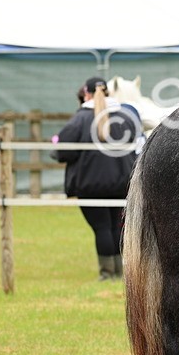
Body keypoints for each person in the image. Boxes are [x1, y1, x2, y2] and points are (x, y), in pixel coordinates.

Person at [54, 77, 140, 280]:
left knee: (101, 227)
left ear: (86, 94)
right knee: (117, 228)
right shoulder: (126, 117)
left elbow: (63, 152)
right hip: (122, 183)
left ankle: (107, 272)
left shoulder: (80, 119)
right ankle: (120, 273)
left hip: (91, 185)